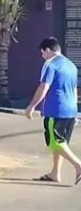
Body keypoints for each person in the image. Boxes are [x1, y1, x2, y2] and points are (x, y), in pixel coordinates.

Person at [24, 37, 81, 185]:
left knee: (54, 143)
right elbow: (75, 90)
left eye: (42, 53)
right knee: (61, 143)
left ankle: (78, 165)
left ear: (48, 50)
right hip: (70, 110)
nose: (42, 56)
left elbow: (44, 87)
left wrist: (31, 106)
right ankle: (55, 173)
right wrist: (75, 112)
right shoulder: (71, 66)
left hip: (55, 110)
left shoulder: (51, 65)